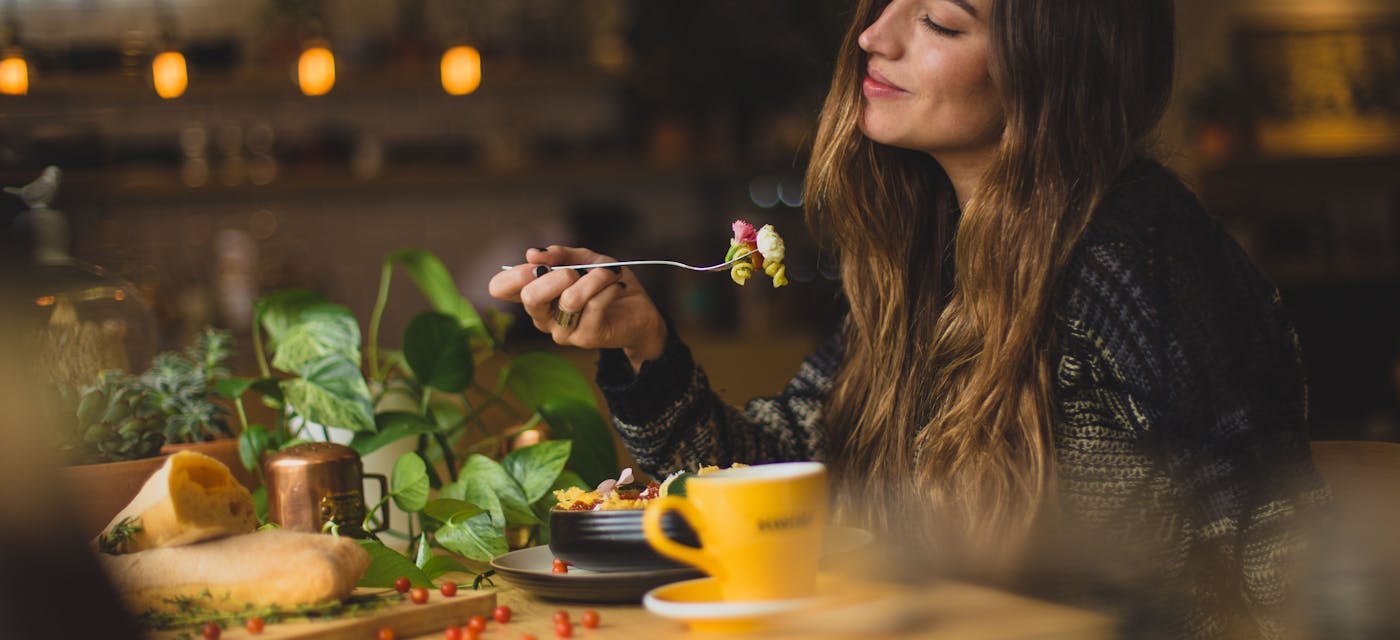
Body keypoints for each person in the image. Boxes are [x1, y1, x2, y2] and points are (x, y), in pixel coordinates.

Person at [489, 1, 1329, 637]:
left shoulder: (1132, 248)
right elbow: (777, 485)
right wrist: (646, 348)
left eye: (938, 21)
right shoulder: (929, 260)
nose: (873, 35)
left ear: (1056, 69)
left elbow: (1265, 548)